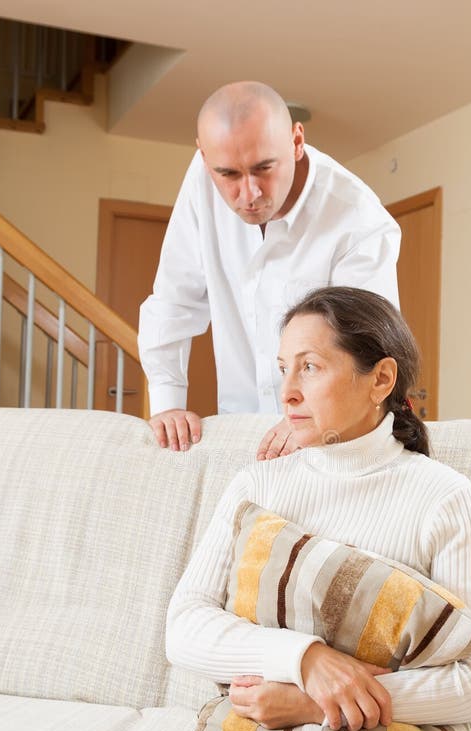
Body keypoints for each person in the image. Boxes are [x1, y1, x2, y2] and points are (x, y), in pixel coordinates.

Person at [160, 287, 471, 731]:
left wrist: (314, 704)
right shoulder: (258, 486)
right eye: (283, 369)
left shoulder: (443, 497)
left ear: (381, 380)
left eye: (311, 368)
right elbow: (184, 625)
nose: (287, 392)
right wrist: (305, 660)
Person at [138, 81, 401, 460]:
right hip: (239, 428)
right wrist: (167, 404)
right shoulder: (201, 180)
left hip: (331, 439)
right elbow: (173, 300)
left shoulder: (359, 220)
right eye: (228, 175)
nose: (249, 194)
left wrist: (307, 416)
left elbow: (369, 349)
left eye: (264, 168)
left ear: (296, 141)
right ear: (205, 158)